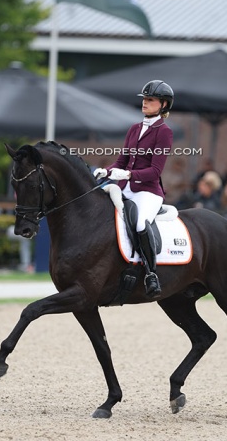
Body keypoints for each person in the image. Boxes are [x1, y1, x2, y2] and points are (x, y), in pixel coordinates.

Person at [94, 80, 174, 298]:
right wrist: (107, 172)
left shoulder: (164, 132)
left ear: (163, 104)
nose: (145, 103)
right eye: (144, 99)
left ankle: (151, 274)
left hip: (148, 192)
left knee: (139, 223)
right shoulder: (134, 129)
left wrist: (129, 174)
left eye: (150, 100)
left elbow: (155, 171)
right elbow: (121, 161)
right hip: (125, 188)